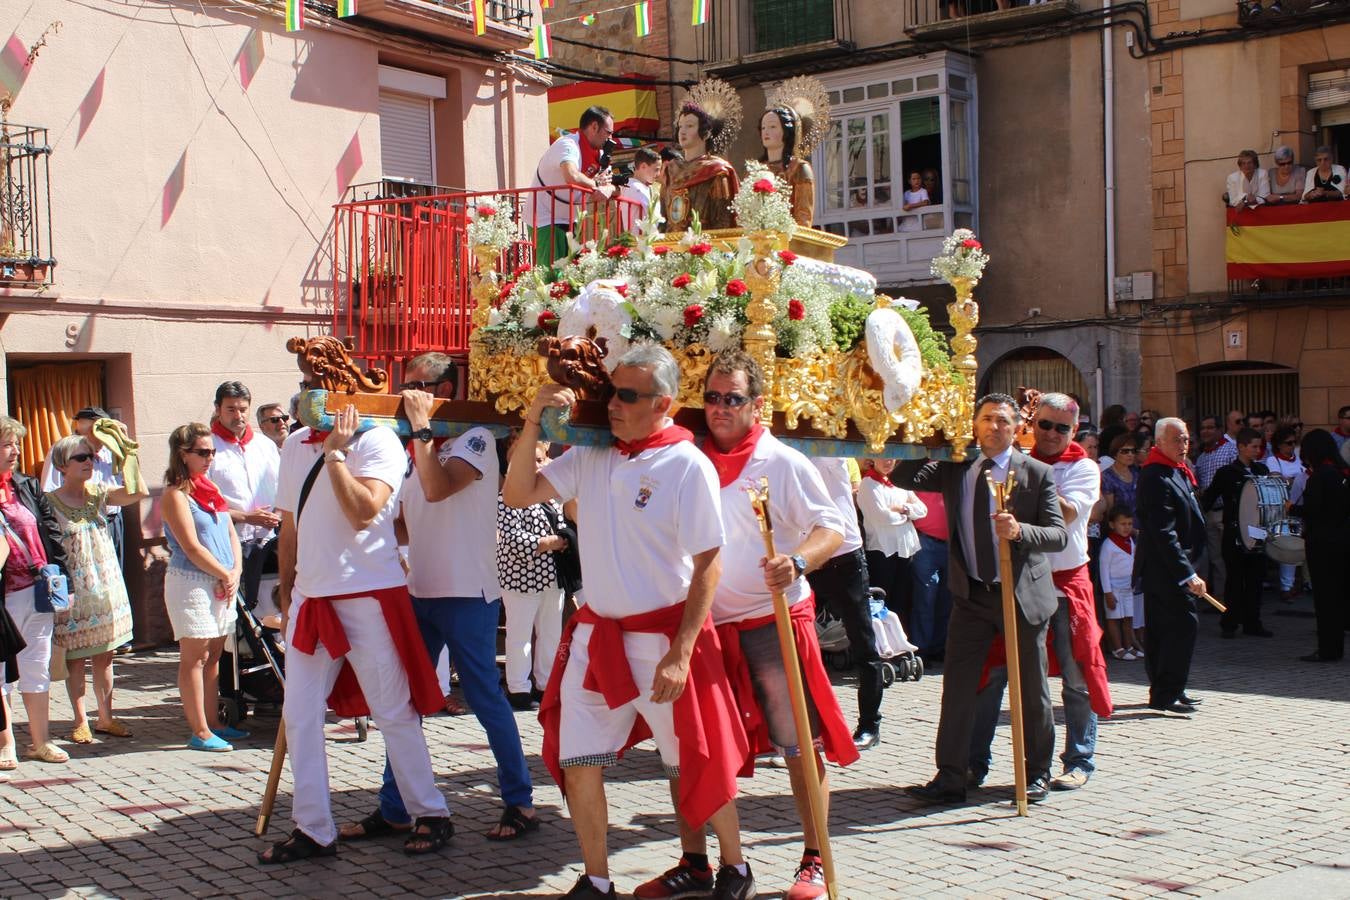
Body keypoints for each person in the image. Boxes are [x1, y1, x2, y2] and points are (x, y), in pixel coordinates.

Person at [504, 342, 752, 900]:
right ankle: (596, 879)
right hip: (597, 637)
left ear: (663, 403)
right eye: (612, 390)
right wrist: (530, 421)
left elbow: (710, 561)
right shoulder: (592, 454)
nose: (611, 403)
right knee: (578, 759)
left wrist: (683, 651)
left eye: (626, 394)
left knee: (690, 759)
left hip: (664, 641)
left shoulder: (687, 464)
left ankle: (735, 869)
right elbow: (517, 493)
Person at [339, 352, 536, 847]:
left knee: (486, 699)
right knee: (401, 703)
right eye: (405, 386)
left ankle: (519, 799)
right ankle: (396, 806)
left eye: (418, 387)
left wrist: (423, 430)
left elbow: (436, 491)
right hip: (420, 592)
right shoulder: (413, 450)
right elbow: (406, 520)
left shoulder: (477, 440)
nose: (407, 395)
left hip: (469, 592)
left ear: (445, 389)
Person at [689, 350, 854, 900]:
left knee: (798, 744)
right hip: (707, 624)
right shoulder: (688, 456)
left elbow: (830, 527)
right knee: (698, 743)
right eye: (711, 398)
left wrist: (798, 561)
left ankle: (814, 856)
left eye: (732, 398)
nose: (719, 409)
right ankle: (698, 862)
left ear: (756, 404)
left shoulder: (780, 461)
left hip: (771, 620)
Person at [261, 402, 449, 864]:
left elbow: (364, 511)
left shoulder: (380, 439)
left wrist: (335, 456)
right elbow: (290, 526)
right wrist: (287, 595)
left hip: (368, 596)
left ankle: (431, 812)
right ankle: (313, 828)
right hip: (311, 597)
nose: (309, 396)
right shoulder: (291, 444)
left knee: (392, 710)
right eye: (305, 384)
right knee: (301, 715)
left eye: (319, 386)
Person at [894, 394, 1067, 806]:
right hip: (971, 595)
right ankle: (951, 776)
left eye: (1003, 421)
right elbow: (904, 475)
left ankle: (1037, 773)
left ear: (1015, 428)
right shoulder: (957, 468)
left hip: (1020, 594)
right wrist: (933, 440)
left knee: (1031, 689)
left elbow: (1058, 534)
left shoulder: (1035, 474)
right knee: (957, 688)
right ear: (974, 425)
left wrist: (1021, 530)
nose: (994, 427)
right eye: (986, 419)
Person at [967, 393, 1110, 794]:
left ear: (1074, 430)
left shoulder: (1082, 467)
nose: (1050, 434)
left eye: (1061, 428)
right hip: (1016, 579)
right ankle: (974, 763)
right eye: (1044, 425)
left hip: (1065, 578)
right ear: (1033, 424)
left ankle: (1079, 758)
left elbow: (1065, 514)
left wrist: (1029, 478)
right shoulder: (1010, 462)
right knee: (993, 674)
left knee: (1075, 672)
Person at [46, 432, 148, 744]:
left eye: (90, 456)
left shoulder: (98, 493)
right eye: (80, 457)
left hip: (106, 587)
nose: (88, 461)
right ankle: (81, 721)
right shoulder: (49, 502)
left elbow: (138, 491)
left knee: (105, 656)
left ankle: (105, 717)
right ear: (63, 465)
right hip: (76, 591)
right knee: (75, 658)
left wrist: (127, 452)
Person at [160, 423, 245, 752]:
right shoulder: (175, 495)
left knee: (213, 658)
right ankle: (199, 730)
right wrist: (225, 573)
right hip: (192, 582)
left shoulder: (209, 490)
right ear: (183, 454)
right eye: (202, 452)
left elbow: (230, 534)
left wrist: (234, 570)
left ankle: (214, 722)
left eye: (212, 451)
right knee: (194, 657)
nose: (210, 457)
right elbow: (192, 547)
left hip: (221, 579)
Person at [0, 416, 70, 766]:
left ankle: (41, 741)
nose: (15, 451)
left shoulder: (26, 485)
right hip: (4, 597)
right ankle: (6, 743)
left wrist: (65, 583)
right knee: (1, 672)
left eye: (15, 444)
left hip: (38, 590)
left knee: (37, 665)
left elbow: (52, 535)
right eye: (6, 444)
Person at [806, 456, 885, 751]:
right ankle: (806, 727)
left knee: (863, 644)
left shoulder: (832, 451)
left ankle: (869, 724)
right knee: (799, 647)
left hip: (845, 556)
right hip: (807, 555)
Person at [1135, 418, 1207, 715]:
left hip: (1176, 565)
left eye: (1186, 439)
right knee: (1178, 626)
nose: (1183, 445)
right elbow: (1162, 531)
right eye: (1176, 439)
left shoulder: (1175, 471)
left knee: (1169, 629)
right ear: (1159, 442)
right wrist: (1186, 574)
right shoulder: (1154, 475)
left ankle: (1172, 687)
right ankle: (1165, 692)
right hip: (1165, 569)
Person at [496, 436, 569, 711]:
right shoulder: (506, 496)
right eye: (529, 461)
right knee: (520, 635)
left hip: (552, 575)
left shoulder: (550, 495)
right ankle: (518, 689)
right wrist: (554, 542)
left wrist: (563, 539)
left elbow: (564, 523)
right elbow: (512, 539)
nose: (536, 466)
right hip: (520, 578)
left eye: (539, 460)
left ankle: (545, 684)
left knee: (550, 633)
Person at [208, 382, 281, 612]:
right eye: (230, 409)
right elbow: (201, 503)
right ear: (218, 408)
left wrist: (278, 514)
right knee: (237, 611)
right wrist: (246, 517)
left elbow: (283, 488)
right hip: (232, 541)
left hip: (272, 540)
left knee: (272, 606)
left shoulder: (265, 445)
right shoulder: (208, 447)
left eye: (243, 409)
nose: (238, 415)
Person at [1201, 428, 1272, 639]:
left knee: (1255, 580)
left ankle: (1253, 622)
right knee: (1234, 580)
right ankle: (1229, 623)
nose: (1257, 451)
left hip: (1257, 532)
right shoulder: (1227, 473)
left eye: (1260, 447)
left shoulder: (1262, 470)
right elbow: (1209, 499)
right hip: (1234, 533)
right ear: (1241, 447)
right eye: (1254, 447)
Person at [40, 407, 125, 571]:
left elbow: (131, 487)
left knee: (114, 573)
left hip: (112, 521)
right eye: (83, 434)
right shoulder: (63, 452)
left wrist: (124, 443)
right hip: (78, 525)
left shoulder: (110, 451)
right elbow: (48, 493)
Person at [530, 106, 617, 265]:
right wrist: (597, 185)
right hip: (546, 217)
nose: (611, 139)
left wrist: (608, 189)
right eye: (608, 132)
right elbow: (571, 175)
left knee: (571, 276)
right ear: (594, 127)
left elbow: (612, 185)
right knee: (551, 276)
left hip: (572, 218)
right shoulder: (567, 144)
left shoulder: (601, 155)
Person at [1296, 429, 1349, 662]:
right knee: (1340, 597)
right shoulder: (1342, 472)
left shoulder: (1320, 476)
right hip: (1343, 541)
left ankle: (1328, 649)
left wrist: (1291, 508)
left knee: (1325, 599)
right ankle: (1334, 647)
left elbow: (1313, 511)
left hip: (1323, 545)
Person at [857, 458, 926, 623]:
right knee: (881, 601)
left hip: (904, 549)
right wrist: (908, 515)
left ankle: (900, 641)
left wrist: (902, 508)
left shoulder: (900, 481)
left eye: (892, 457)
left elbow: (923, 510)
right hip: (882, 551)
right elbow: (883, 517)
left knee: (902, 600)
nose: (888, 461)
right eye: (883, 456)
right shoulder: (868, 484)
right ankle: (884, 643)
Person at [661, 103, 739, 232]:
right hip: (671, 243)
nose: (683, 131)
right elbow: (662, 217)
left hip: (703, 244)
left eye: (690, 126)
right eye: (680, 126)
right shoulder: (671, 170)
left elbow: (723, 220)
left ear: (706, 133)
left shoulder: (717, 171)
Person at [1193, 415, 1236, 602]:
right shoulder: (1201, 457)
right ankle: (1220, 598)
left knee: (1230, 558)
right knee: (1216, 559)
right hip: (1210, 513)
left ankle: (1233, 598)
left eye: (1210, 427)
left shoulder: (1230, 449)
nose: (1206, 431)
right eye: (1203, 428)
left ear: (1220, 429)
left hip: (1227, 512)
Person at [1263, 425, 1307, 604]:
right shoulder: (1273, 460)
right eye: (1288, 443)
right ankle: (1286, 587)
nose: (1292, 446)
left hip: (1303, 507)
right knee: (1289, 547)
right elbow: (1277, 480)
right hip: (1285, 510)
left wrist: (1292, 480)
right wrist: (1296, 480)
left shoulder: (1300, 457)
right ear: (1279, 445)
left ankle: (1303, 583)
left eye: (1294, 442)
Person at [909, 490, 952, 664]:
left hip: (951, 544)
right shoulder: (922, 469)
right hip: (925, 542)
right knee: (925, 596)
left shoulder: (953, 468)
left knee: (946, 598)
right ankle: (921, 649)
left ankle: (938, 647)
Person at [1099, 506, 1145, 659]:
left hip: (1128, 587)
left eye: (1130, 524)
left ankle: (1129, 646)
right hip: (1113, 588)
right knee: (1114, 618)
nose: (1127, 527)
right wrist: (1108, 593)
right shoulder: (1108, 545)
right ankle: (1118, 649)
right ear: (1112, 525)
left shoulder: (1131, 541)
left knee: (1128, 617)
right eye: (1122, 524)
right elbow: (1103, 570)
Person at [759, 106, 814, 227]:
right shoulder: (756, 171)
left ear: (786, 131)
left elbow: (803, 217)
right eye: (763, 128)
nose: (766, 132)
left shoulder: (799, 168)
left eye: (772, 127)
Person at [619, 146, 663, 225]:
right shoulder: (635, 187)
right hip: (642, 235)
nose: (658, 174)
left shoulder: (632, 185)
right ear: (643, 166)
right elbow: (655, 216)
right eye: (656, 169)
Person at [1099, 434, 1141, 517]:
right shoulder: (1106, 477)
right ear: (1115, 454)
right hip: (1120, 525)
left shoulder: (1136, 472)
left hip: (1140, 524)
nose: (1130, 454)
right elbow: (1110, 510)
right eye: (1125, 451)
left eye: (1133, 451)